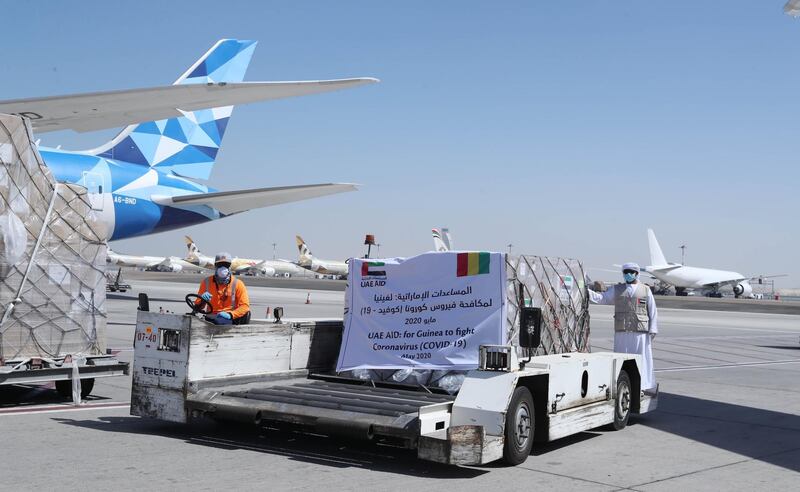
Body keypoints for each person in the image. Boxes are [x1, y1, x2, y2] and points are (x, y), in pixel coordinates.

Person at [588, 262, 657, 394]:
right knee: (621, 360)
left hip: (640, 333)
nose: (628, 275)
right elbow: (602, 298)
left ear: (637, 273)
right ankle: (622, 385)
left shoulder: (645, 290)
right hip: (622, 332)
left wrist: (653, 329)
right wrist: (586, 291)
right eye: (626, 272)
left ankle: (641, 386)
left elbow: (652, 310)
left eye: (631, 272)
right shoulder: (617, 289)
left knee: (641, 360)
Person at [197, 252, 250, 325]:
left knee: (220, 322)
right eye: (220, 265)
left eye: (226, 265)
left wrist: (231, 314)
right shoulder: (206, 282)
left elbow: (245, 306)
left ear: (229, 267)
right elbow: (197, 307)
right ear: (215, 266)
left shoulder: (238, 284)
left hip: (228, 319)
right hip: (210, 319)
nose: (223, 268)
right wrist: (202, 300)